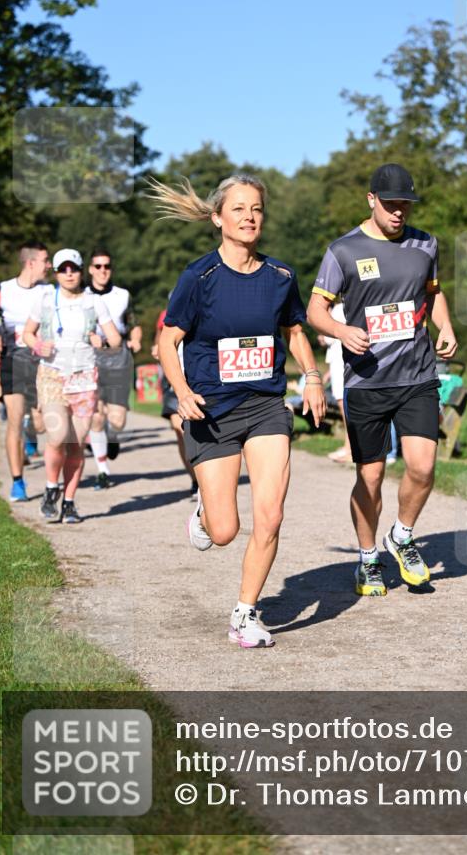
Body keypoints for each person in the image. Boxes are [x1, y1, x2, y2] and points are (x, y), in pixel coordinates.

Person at [151, 172, 326, 648]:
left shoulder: (281, 277)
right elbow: (169, 341)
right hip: (212, 411)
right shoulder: (199, 276)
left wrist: (311, 376)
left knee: (269, 516)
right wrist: (181, 389)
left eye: (257, 209)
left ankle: (245, 613)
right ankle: (205, 514)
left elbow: (294, 331)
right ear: (218, 218)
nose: (250, 218)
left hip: (267, 406)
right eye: (239, 209)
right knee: (225, 530)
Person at [307, 163, 458, 596]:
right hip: (367, 380)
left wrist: (445, 327)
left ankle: (403, 536)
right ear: (371, 200)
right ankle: (368, 559)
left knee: (423, 466)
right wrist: (339, 330)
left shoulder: (425, 244)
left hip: (416, 373)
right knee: (370, 477)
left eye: (405, 206)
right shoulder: (343, 251)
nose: (398, 213)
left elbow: (434, 292)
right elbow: (316, 309)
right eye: (391, 204)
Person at [23, 249, 121, 523]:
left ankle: (68, 502)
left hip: (84, 379)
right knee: (57, 436)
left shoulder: (94, 302)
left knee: (76, 444)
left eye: (73, 268)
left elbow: (115, 340)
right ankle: (51, 486)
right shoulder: (44, 300)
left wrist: (99, 339)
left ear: (81, 271)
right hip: (52, 374)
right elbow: (27, 334)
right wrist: (39, 345)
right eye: (63, 269)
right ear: (56, 273)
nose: (69, 273)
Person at [0, 242, 51, 501]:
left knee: (42, 423)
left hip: (44, 362)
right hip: (13, 359)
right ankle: (17, 482)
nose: (49, 266)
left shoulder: (49, 291)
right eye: (46, 261)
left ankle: (30, 428)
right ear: (30, 262)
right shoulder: (2, 290)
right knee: (14, 420)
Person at [86, 248, 142, 488]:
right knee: (96, 416)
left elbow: (133, 324)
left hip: (118, 358)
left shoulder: (122, 295)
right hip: (90, 358)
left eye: (106, 266)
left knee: (116, 420)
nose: (103, 271)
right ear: (90, 269)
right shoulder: (81, 296)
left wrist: (137, 339)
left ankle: (111, 436)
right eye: (98, 266)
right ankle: (103, 471)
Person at [151, 305, 198, 498]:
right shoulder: (166, 314)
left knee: (196, 433)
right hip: (174, 380)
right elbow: (160, 341)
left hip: (197, 379)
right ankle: (195, 480)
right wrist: (157, 348)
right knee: (180, 430)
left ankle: (206, 479)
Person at [321, 302, 353, 463]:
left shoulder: (338, 309)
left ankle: (351, 448)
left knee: (345, 407)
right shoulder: (345, 307)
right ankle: (348, 446)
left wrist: (321, 334)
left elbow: (327, 338)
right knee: (345, 407)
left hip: (340, 363)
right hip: (341, 363)